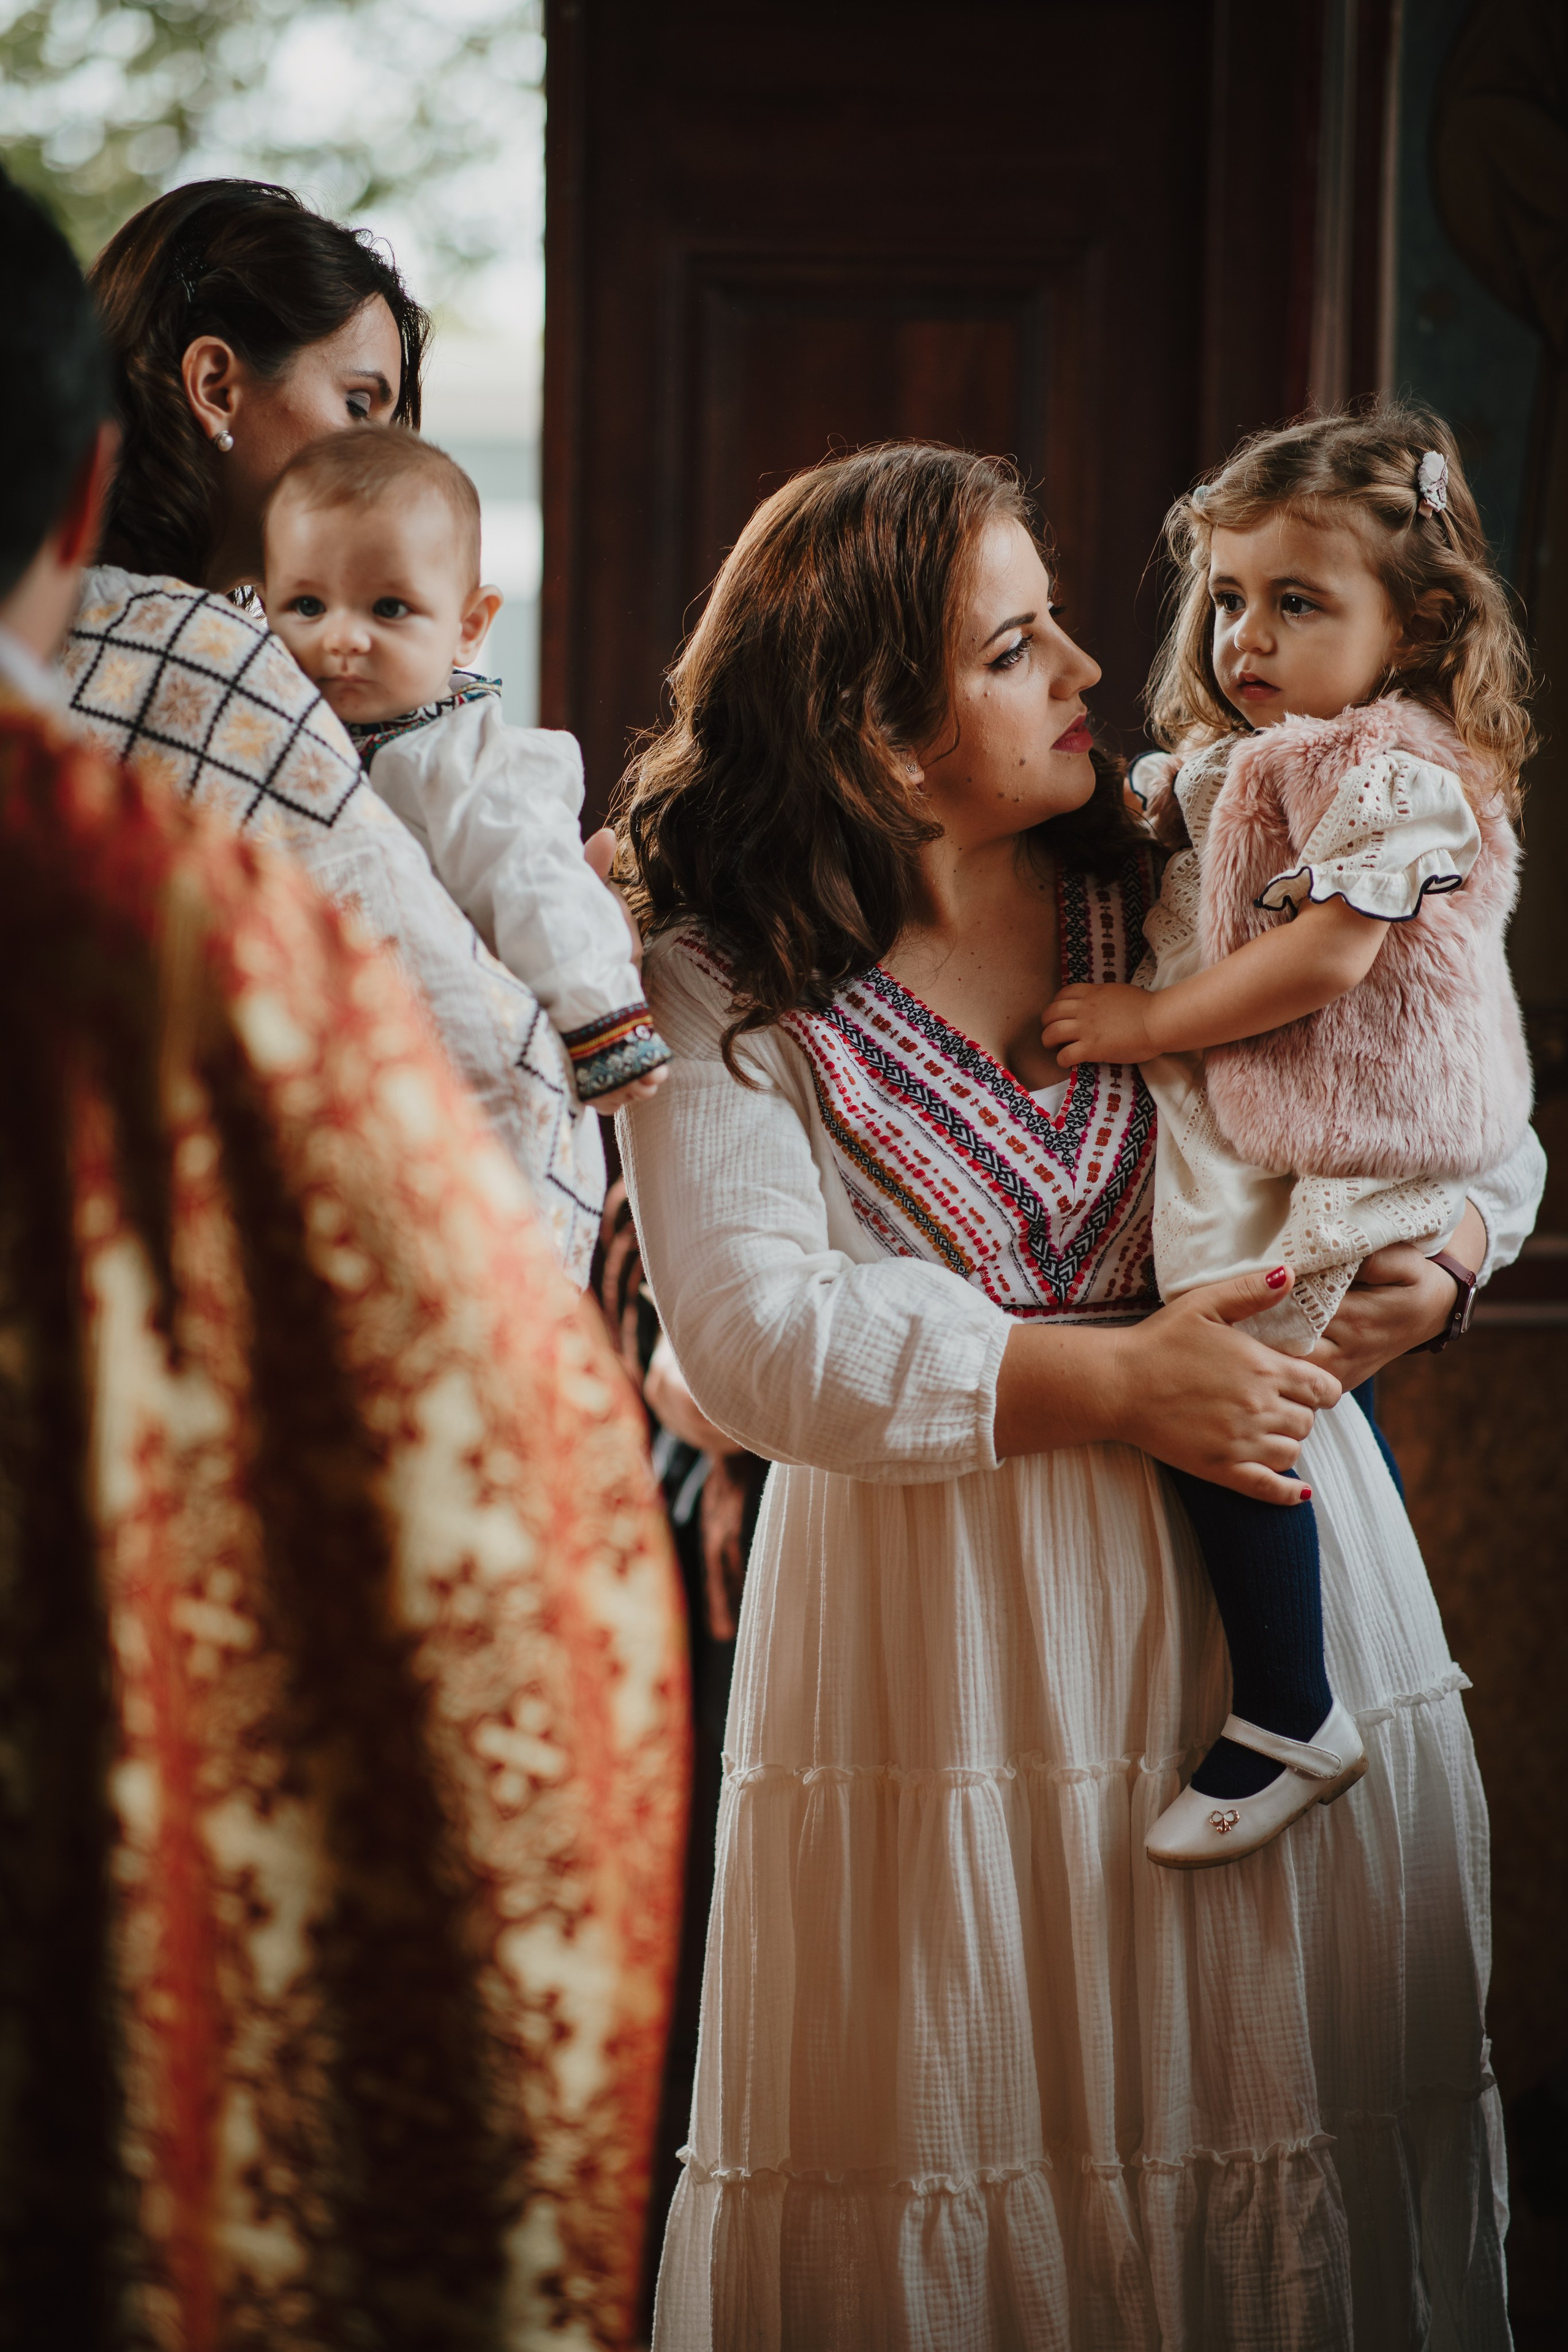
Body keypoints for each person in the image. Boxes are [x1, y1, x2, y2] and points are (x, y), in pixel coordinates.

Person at [615, 443, 1545, 2346]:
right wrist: (1113, 1376)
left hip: (1273, 1603)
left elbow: (1447, 1091)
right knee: (960, 2159)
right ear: (881, 733)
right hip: (933, 1642)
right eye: (1015, 644)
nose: (1094, 675)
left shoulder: (1191, 853)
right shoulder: (713, 972)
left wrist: (1445, 1264)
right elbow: (751, 1330)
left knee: (1276, 2133)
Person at [0, 168, 687, 2345]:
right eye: (358, 398)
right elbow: (482, 1124)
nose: (388, 461)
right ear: (154, 434)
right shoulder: (209, 713)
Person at [1041, 405, 1533, 1869]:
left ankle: (1284, 1705)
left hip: (1362, 1139)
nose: (1243, 633)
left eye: (1295, 602)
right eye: (1229, 596)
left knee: (1239, 1384)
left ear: (1418, 620)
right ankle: (1291, 1672)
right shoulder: (1263, 753)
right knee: (1294, 1394)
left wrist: (1142, 1022)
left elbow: (1325, 958)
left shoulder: (1391, 766)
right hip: (1297, 1145)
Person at [58, 177, 607, 1280]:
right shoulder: (205, 665)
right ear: (216, 384)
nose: (386, 461)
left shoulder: (54, 632)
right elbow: (480, 1071)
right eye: (361, 404)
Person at [262, 423, 671, 1107]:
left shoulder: (473, 763)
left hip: (455, 1065)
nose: (341, 637)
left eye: (389, 608)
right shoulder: (269, 729)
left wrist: (599, 1022)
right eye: (306, 605)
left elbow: (541, 890)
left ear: (469, 627)